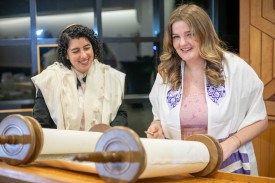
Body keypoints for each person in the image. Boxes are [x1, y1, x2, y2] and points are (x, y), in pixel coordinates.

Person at [146, 4, 268, 175]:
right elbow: (159, 116)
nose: (182, 43)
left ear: (205, 33)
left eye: (190, 34)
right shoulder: (166, 73)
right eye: (176, 37)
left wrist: (231, 143)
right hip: (179, 169)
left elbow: (260, 120)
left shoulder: (235, 69)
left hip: (226, 167)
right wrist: (157, 126)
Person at [32, 24, 128, 131]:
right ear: (66, 55)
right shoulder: (50, 79)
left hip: (102, 144)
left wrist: (111, 137)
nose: (84, 55)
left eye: (87, 48)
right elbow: (42, 123)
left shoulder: (110, 76)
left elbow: (120, 115)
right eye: (76, 51)